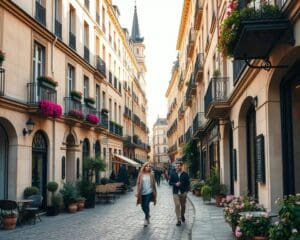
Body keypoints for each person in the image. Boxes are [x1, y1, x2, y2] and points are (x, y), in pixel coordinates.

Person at [135, 162, 157, 227]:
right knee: (142, 206)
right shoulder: (140, 174)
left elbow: (154, 184)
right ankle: (148, 215)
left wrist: (154, 192)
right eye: (146, 166)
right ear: (144, 167)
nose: (148, 167)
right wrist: (137, 192)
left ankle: (146, 219)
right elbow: (138, 183)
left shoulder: (151, 174)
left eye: (149, 166)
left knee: (146, 205)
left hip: (149, 192)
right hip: (142, 192)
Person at [169, 161, 190, 226]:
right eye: (176, 166)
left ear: (181, 166)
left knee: (183, 206)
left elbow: (188, 184)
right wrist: (175, 184)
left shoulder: (185, 174)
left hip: (183, 193)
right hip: (175, 193)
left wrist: (186, 192)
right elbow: (170, 182)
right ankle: (178, 220)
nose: (177, 167)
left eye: (178, 166)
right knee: (177, 205)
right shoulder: (173, 174)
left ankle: (182, 215)